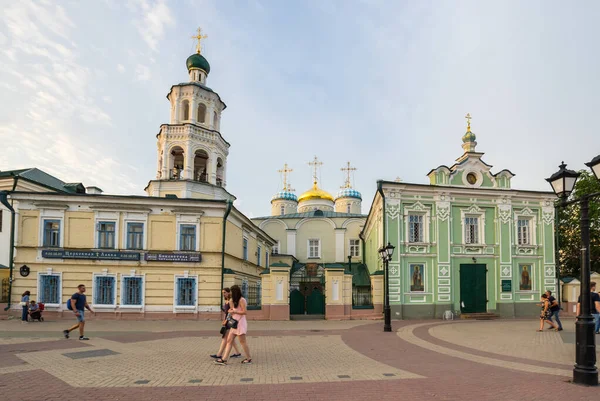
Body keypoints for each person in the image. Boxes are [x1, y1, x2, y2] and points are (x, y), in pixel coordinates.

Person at [215, 285, 252, 365]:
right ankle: (224, 359)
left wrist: (234, 312)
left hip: (240, 323)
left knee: (242, 342)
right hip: (234, 323)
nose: (230, 293)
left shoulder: (242, 300)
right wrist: (228, 316)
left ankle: (248, 358)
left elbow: (244, 312)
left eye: (231, 291)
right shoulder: (233, 300)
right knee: (229, 340)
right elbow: (232, 310)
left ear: (235, 292)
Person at [210, 288, 241, 359]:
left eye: (224, 292)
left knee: (225, 338)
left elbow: (232, 311)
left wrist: (226, 320)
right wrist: (224, 319)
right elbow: (226, 312)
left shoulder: (230, 301)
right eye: (223, 293)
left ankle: (219, 354)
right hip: (227, 321)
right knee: (230, 339)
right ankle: (237, 353)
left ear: (229, 292)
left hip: (230, 321)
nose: (223, 294)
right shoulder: (226, 300)